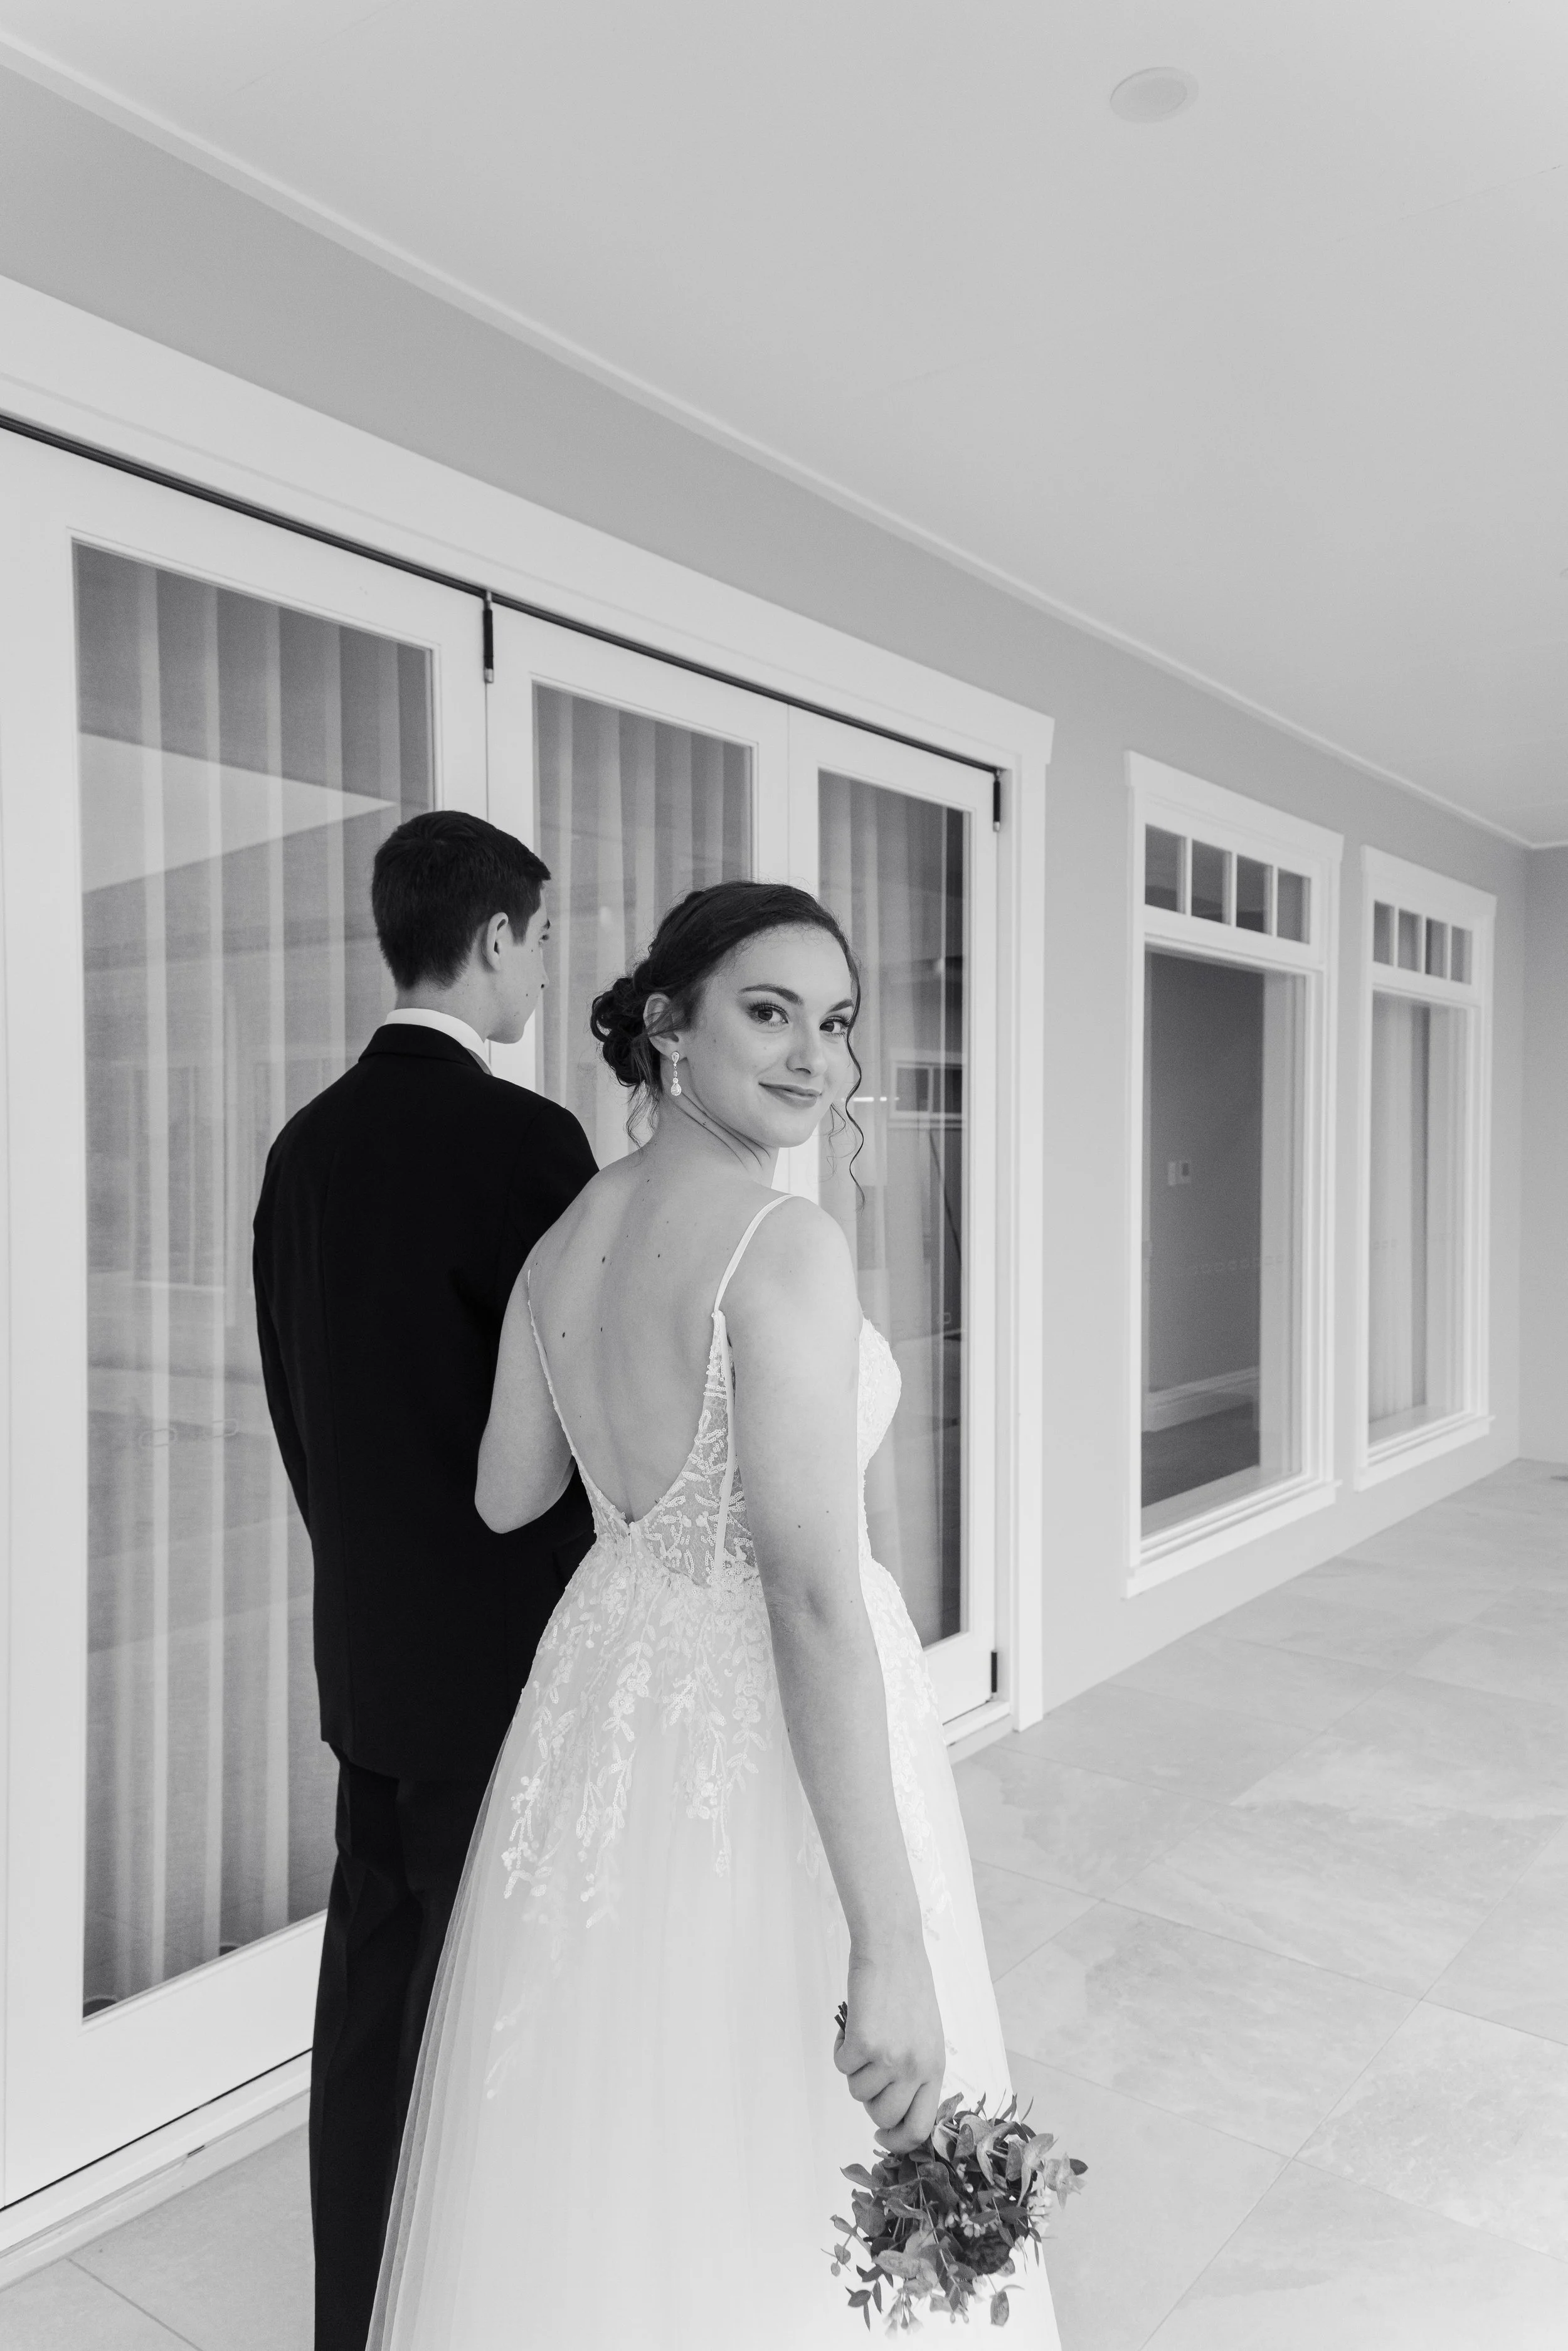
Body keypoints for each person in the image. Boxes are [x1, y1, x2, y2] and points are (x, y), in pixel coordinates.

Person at [367, 879, 1060, 2348]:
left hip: (609, 1691)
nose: (816, 1055)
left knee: (626, 2094)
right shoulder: (779, 1242)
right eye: (769, 1011)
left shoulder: (562, 1242)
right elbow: (809, 1592)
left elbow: (504, 1492)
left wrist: (640, 1485)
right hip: (760, 1708)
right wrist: (885, 1939)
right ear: (670, 1027)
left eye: (837, 1022)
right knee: (782, 2072)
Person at [252, 811, 597, 2351]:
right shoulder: (525, 1143)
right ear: (502, 936)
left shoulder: (305, 1143)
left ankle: (355, 2323)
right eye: (541, 935)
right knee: (505, 2028)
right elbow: (580, 1418)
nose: (542, 964)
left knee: (372, 2016)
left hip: (369, 1656)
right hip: (501, 1666)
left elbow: (296, 1406)